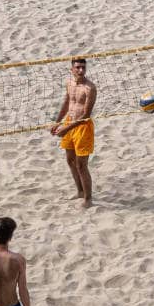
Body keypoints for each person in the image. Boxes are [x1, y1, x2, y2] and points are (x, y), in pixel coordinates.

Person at [50, 57, 97, 208]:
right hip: (69, 122)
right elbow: (66, 103)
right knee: (70, 161)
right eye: (77, 67)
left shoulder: (90, 88)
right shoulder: (69, 83)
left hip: (82, 127)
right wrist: (58, 122)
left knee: (81, 165)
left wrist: (66, 129)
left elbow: (86, 115)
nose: (81, 70)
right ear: (72, 69)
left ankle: (88, 199)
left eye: (83, 67)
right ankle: (80, 191)